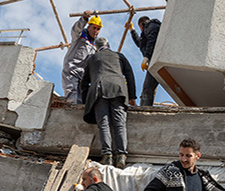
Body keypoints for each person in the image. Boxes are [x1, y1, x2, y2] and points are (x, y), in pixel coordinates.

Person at [80, 37, 136, 168]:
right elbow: (130, 75)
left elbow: (84, 83)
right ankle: (121, 156)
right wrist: (132, 96)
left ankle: (107, 156)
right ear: (109, 45)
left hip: (99, 92)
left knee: (103, 124)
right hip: (118, 89)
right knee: (119, 124)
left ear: (96, 47)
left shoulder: (92, 59)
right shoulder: (119, 56)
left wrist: (85, 102)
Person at [62, 10, 102, 104]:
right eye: (94, 28)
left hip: (83, 74)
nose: (96, 31)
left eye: (98, 29)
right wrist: (84, 18)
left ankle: (77, 116)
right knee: (71, 94)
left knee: (81, 99)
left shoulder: (95, 44)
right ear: (88, 27)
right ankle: (71, 113)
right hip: (72, 69)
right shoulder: (79, 36)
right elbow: (76, 29)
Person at [128, 16, 161, 106]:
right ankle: (145, 107)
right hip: (155, 60)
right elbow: (140, 43)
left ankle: (144, 110)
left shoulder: (150, 26)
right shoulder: (149, 27)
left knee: (147, 89)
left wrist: (146, 56)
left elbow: (152, 40)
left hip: (156, 60)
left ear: (141, 25)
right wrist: (132, 30)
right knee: (148, 88)